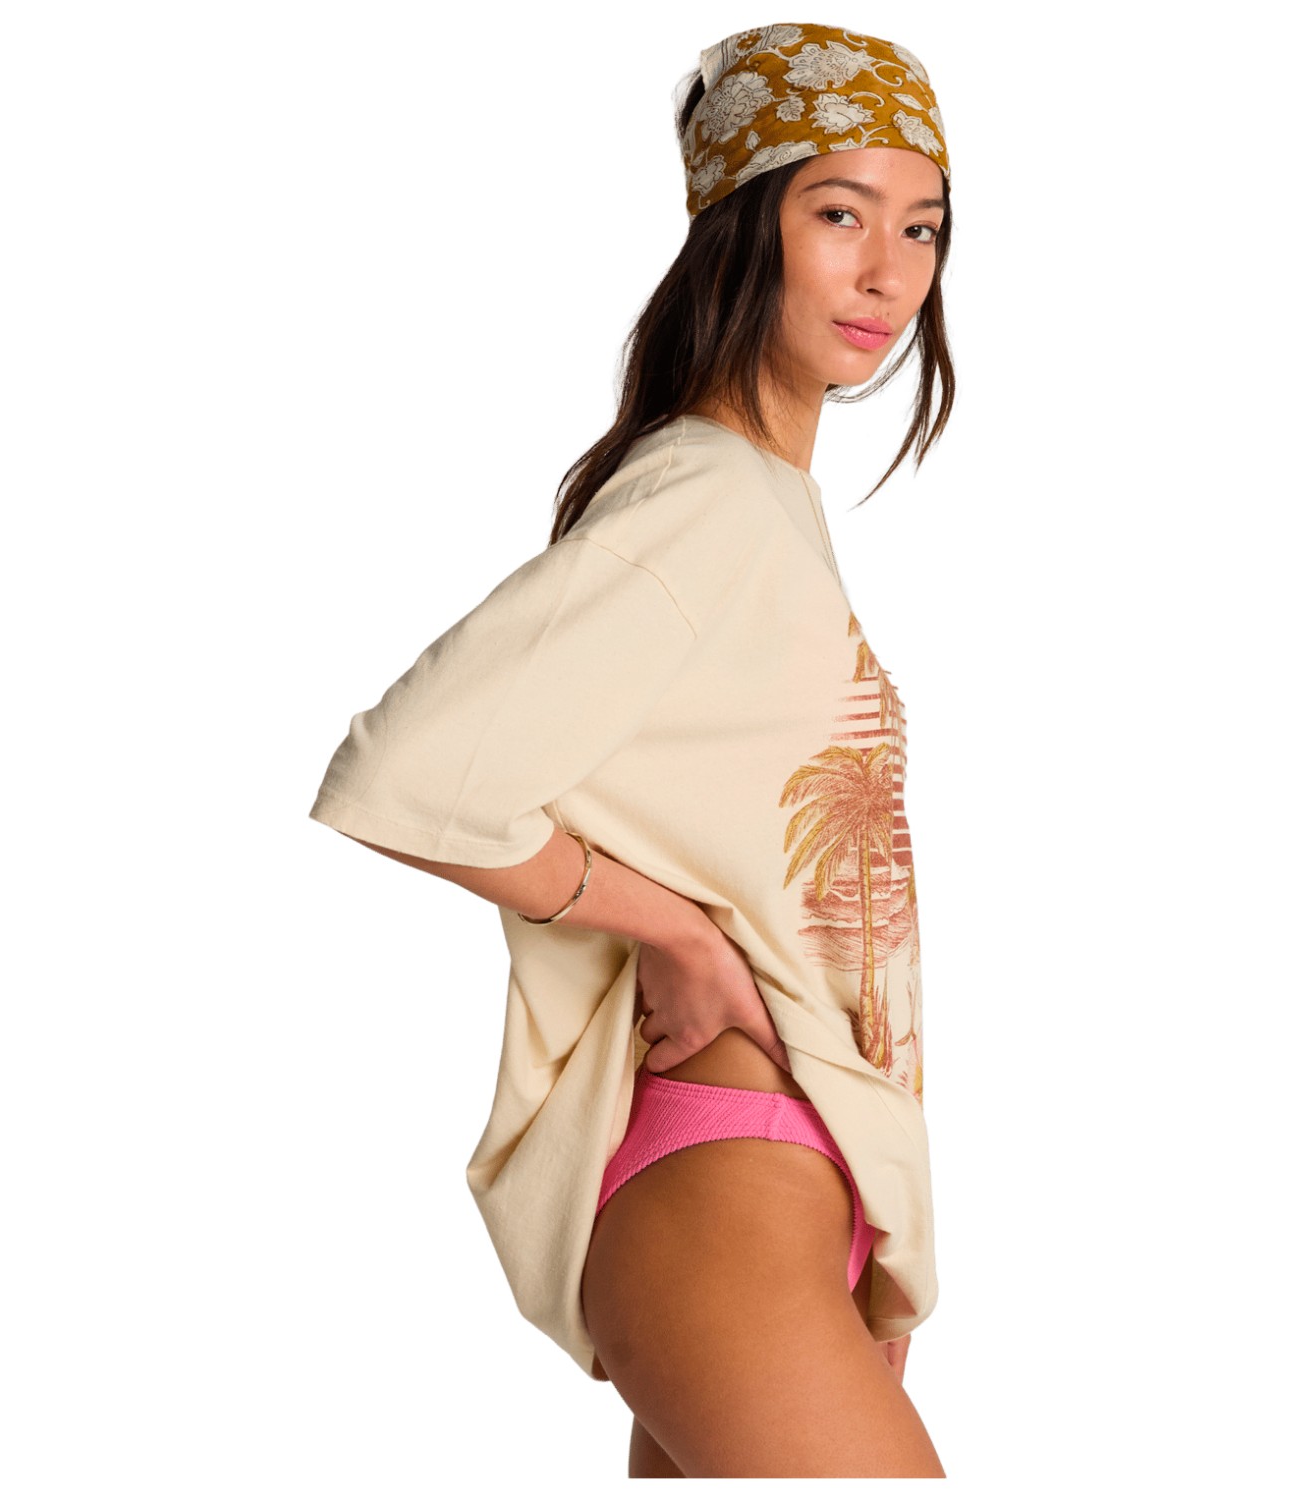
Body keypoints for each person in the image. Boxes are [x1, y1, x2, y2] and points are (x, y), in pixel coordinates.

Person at [308, 22, 955, 1479]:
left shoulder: (763, 503)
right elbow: (405, 777)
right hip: (722, 1182)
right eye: (839, 214)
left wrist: (881, 1239)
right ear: (742, 226)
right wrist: (673, 932)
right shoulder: (706, 496)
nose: (889, 273)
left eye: (922, 227)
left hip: (785, 1194)